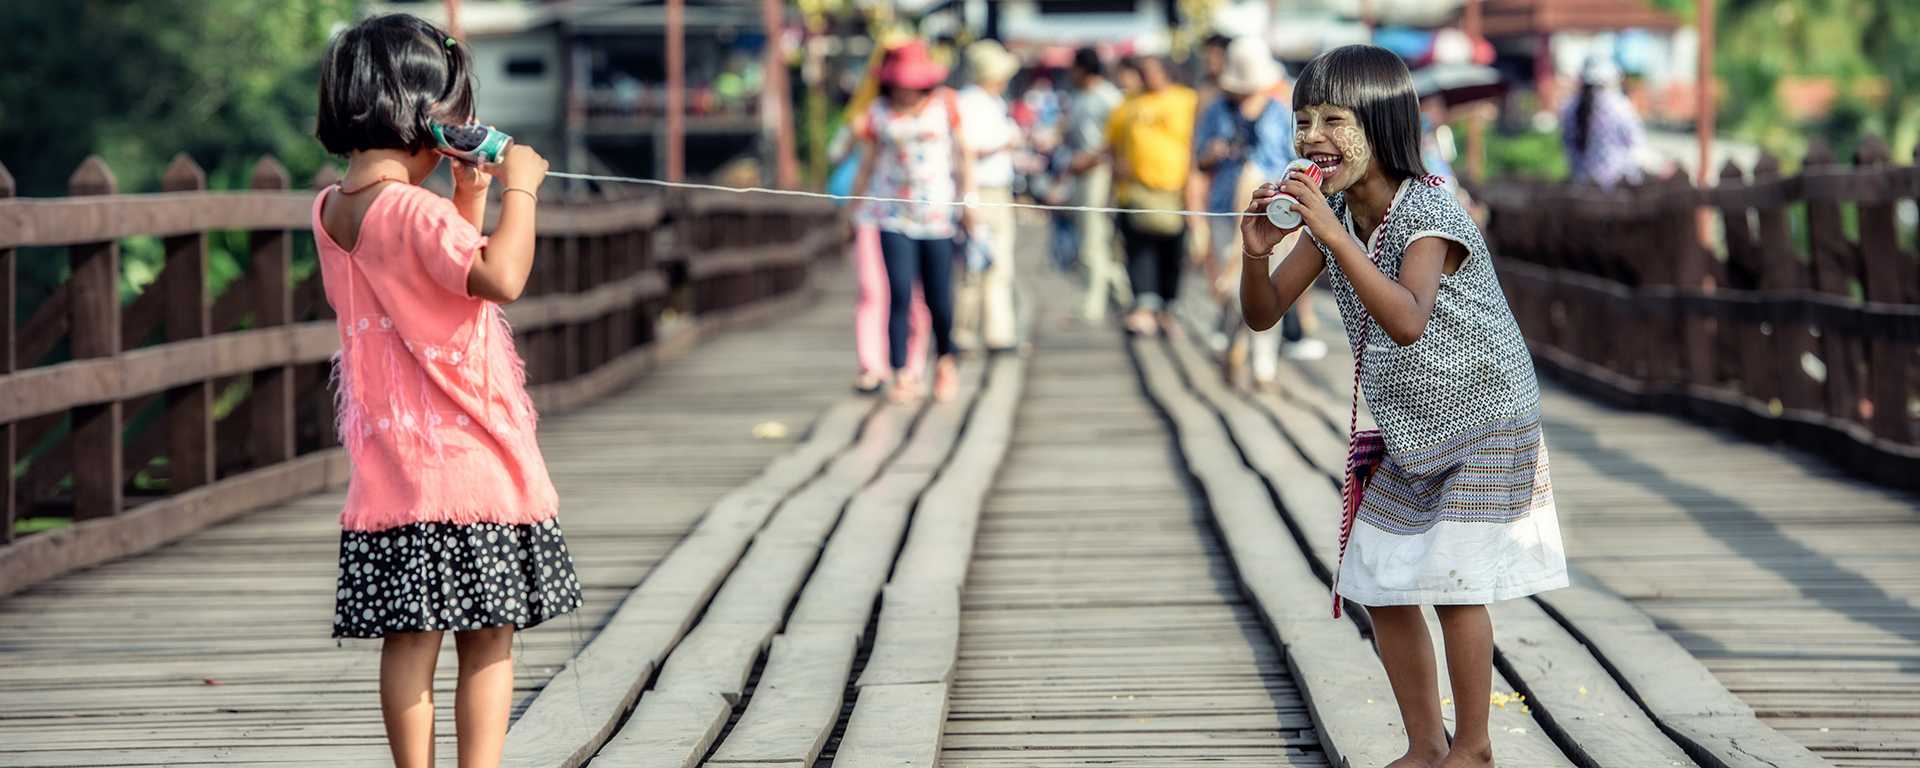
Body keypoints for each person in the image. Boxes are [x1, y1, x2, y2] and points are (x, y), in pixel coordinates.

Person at [1238, 45, 1567, 768]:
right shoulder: (1343, 219)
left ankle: (1473, 749)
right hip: (1414, 428)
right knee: (1380, 580)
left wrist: (1326, 232)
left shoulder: (1428, 212)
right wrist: (1257, 251)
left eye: (1333, 120)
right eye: (1302, 122)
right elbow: (1263, 315)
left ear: (1383, 126)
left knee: (1452, 583)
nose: (1312, 138)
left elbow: (1408, 318)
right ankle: (1425, 744)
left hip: (1487, 417)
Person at [311, 14, 582, 767]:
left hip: (396, 469)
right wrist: (518, 192)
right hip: (466, 459)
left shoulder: (331, 213)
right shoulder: (411, 210)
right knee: (488, 635)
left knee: (411, 635)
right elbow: (499, 278)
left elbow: (428, 286)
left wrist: (466, 197)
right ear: (426, 121)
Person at [1192, 37, 1325, 388]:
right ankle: (1237, 341)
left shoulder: (1281, 114)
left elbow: (1295, 159)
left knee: (1270, 285)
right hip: (1225, 208)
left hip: (1275, 212)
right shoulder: (1215, 112)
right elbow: (1199, 160)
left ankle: (1263, 366)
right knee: (1230, 285)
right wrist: (1216, 153)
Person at [851, 39, 974, 403]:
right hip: (892, 214)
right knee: (899, 293)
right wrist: (853, 209)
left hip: (937, 215)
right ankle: (902, 370)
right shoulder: (879, 112)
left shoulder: (947, 105)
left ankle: (945, 361)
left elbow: (962, 155)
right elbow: (868, 163)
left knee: (939, 298)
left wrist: (968, 200)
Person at [827, 55, 933, 395]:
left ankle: (912, 366)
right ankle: (872, 365)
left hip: (920, 216)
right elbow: (841, 157)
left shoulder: (937, 113)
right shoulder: (870, 116)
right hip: (873, 213)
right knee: (872, 291)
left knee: (914, 294)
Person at [1106, 55, 1199, 336]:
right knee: (1139, 250)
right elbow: (1111, 143)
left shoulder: (1188, 100)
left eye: (1152, 71)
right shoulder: (1128, 104)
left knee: (1173, 250)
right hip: (1136, 191)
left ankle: (1168, 310)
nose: (1147, 77)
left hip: (1177, 191)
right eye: (1142, 72)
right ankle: (1144, 309)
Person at [953, 40, 1023, 354]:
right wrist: (1005, 141)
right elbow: (967, 149)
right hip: (976, 190)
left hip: (999, 190)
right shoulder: (967, 103)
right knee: (973, 266)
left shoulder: (993, 101)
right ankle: (963, 332)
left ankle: (998, 332)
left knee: (999, 265)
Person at [1065, 47, 1128, 320]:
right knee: (1092, 239)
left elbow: (1117, 141)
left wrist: (1092, 159)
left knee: (1094, 239)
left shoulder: (1109, 98)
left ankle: (1094, 304)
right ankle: (1123, 294)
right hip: (1082, 173)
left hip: (1100, 174)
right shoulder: (1080, 97)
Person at [1561, 56, 1647, 189]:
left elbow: (1567, 145)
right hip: (1615, 187)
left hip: (1580, 186)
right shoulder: (1619, 105)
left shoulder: (1569, 106)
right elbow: (1636, 145)